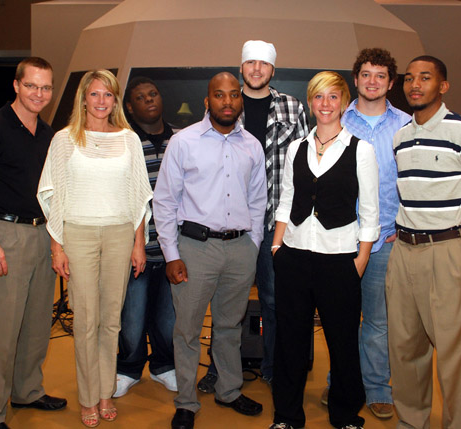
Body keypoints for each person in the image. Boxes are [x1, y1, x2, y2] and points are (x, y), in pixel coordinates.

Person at [386, 55, 461, 429]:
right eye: (410, 78)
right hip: (404, 252)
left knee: (454, 354)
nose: (415, 84)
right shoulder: (400, 137)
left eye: (425, 77)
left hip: (449, 251)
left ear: (443, 86)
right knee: (404, 349)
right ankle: (411, 422)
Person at [37, 69, 152, 428]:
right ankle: (87, 397)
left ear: (115, 100)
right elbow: (52, 196)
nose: (102, 101)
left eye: (109, 95)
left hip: (120, 234)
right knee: (85, 321)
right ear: (84, 98)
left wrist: (138, 245)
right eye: (96, 94)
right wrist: (57, 248)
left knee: (111, 320)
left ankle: (106, 392)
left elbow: (138, 198)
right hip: (79, 234)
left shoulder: (129, 140)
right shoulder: (64, 140)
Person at [153, 72, 267, 429]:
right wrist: (171, 254)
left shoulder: (251, 145)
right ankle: (186, 401)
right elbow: (165, 201)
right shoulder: (183, 142)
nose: (228, 102)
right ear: (207, 101)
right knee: (187, 329)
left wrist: (254, 244)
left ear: (241, 101)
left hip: (239, 249)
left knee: (230, 326)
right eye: (220, 95)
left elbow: (258, 199)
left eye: (234, 95)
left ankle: (229, 390)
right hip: (194, 248)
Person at [197, 40, 309, 393]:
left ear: (273, 70)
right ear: (242, 67)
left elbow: (307, 163)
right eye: (251, 63)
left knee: (275, 300)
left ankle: (274, 367)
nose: (257, 69)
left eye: (264, 64)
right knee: (225, 303)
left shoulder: (293, 108)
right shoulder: (224, 105)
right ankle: (218, 368)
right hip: (232, 226)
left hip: (277, 223)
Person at [269, 71, 380, 429]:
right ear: (310, 102)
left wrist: (361, 259)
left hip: (340, 258)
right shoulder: (295, 148)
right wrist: (277, 245)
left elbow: (370, 211)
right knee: (291, 342)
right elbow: (286, 198)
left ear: (344, 103)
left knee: (343, 341)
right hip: (295, 255)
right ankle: (287, 415)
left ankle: (346, 415)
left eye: (333, 97)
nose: (326, 104)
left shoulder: (361, 150)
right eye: (319, 97)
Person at [320, 47, 410, 420]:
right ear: (355, 79)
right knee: (339, 318)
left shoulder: (407, 125)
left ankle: (376, 388)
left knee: (377, 321)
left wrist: (405, 224)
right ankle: (340, 382)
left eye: (381, 75)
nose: (372, 81)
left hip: (387, 239)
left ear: (391, 82)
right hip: (341, 238)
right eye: (366, 74)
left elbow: (415, 180)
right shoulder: (337, 119)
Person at [0, 57, 67, 429]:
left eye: (45, 87)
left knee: (35, 323)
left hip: (41, 233)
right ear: (16, 85)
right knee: (0, 331)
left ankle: (27, 390)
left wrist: (56, 243)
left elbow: (51, 195)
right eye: (31, 85)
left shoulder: (49, 135)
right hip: (4, 234)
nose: (39, 94)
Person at [113, 77, 177, 398]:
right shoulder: (123, 141)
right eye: (140, 97)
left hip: (171, 251)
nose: (149, 100)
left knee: (168, 320)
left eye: (153, 93)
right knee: (132, 319)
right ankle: (128, 369)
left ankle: (165, 366)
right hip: (134, 248)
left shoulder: (180, 139)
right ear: (129, 106)